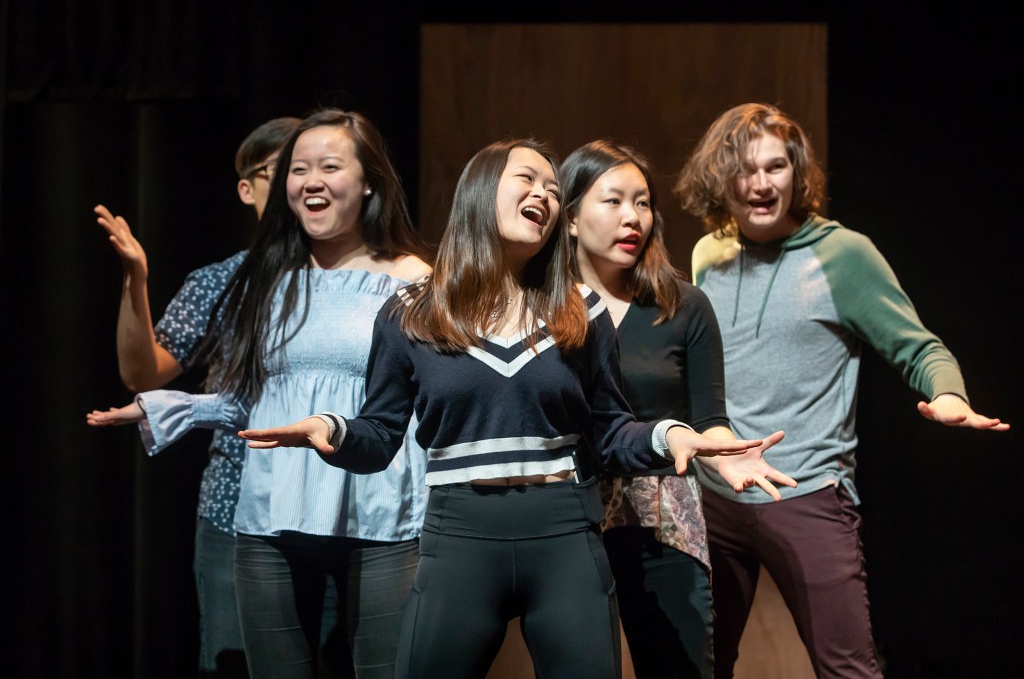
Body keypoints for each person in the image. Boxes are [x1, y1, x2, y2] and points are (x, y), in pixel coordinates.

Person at [234, 138, 786, 679]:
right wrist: (330, 430)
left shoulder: (581, 309)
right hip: (460, 538)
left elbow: (612, 431)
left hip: (565, 536)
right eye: (527, 179)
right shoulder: (413, 312)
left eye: (552, 186)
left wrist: (671, 437)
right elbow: (380, 435)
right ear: (479, 192)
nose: (544, 194)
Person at [89, 108, 433, 679]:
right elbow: (259, 400)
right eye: (299, 170)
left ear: (369, 179)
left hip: (379, 513)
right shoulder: (261, 278)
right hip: (274, 508)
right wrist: (173, 406)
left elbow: (425, 403)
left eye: (330, 166)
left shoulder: (415, 280)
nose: (311, 181)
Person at [673, 102, 1009, 679]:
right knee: (699, 666)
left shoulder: (843, 255)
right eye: (744, 170)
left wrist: (948, 395)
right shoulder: (710, 253)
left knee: (847, 669)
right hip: (715, 497)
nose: (759, 184)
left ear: (797, 174)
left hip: (807, 492)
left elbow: (920, 347)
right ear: (719, 178)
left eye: (775, 167)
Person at [560, 139, 796, 679]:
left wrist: (724, 454)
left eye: (643, 203)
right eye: (614, 201)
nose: (633, 217)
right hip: (569, 513)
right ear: (570, 218)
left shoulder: (682, 305)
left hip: (663, 511)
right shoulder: (540, 310)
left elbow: (708, 417)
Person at [94, 115, 301, 678]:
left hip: (336, 511)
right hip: (235, 510)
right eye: (282, 168)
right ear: (247, 187)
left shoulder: (357, 279)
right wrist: (136, 282)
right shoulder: (222, 281)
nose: (298, 183)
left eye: (312, 168)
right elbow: (144, 372)